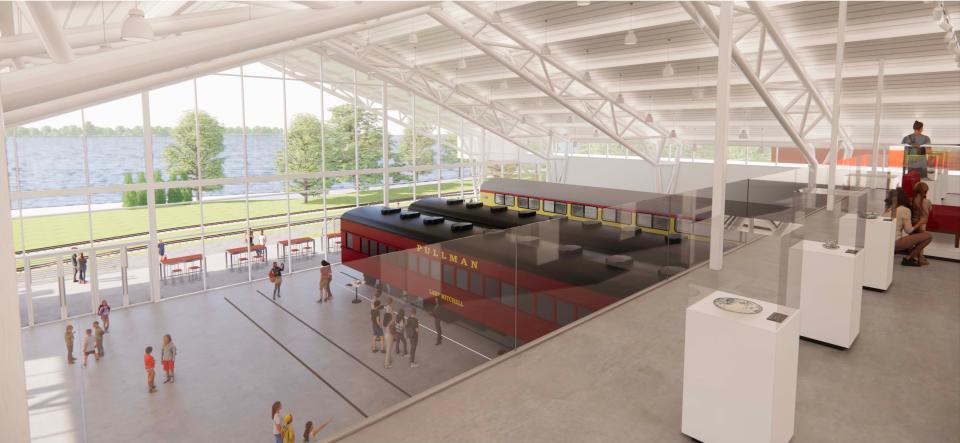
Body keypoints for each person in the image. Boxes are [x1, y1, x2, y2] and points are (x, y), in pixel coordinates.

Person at [890, 188, 933, 267]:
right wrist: (921, 222)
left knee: (912, 238)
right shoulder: (905, 210)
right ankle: (908, 258)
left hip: (885, 242)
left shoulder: (888, 209)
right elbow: (909, 230)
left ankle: (913, 256)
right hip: (895, 243)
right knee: (928, 236)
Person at [383, 304, 395, 369]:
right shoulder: (390, 323)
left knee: (389, 349)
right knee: (388, 349)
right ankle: (386, 364)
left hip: (386, 335)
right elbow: (392, 331)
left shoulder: (386, 322)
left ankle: (389, 360)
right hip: (389, 336)